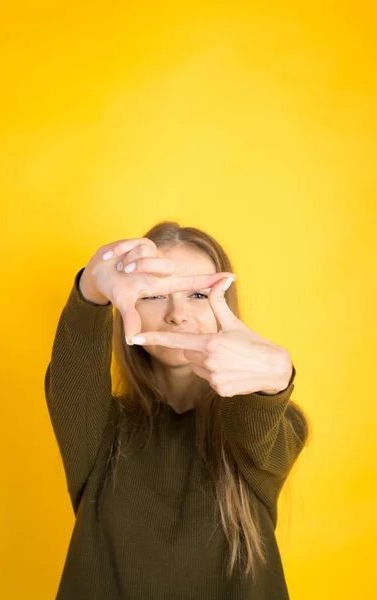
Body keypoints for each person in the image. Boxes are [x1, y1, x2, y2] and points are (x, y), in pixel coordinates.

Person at [45, 220, 310, 599]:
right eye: (153, 296)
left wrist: (274, 382)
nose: (178, 315)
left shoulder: (267, 421)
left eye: (199, 295)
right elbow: (73, 371)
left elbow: (262, 428)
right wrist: (91, 288)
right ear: (125, 305)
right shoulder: (102, 428)